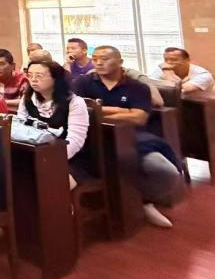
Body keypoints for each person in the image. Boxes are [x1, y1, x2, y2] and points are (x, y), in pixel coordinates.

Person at [73, 46, 185, 228]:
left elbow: (139, 117)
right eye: (95, 59)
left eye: (105, 59)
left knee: (167, 172)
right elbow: (76, 110)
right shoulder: (82, 83)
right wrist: (121, 110)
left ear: (120, 62)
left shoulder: (137, 87)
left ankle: (146, 200)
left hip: (132, 140)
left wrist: (98, 110)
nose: (99, 63)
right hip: (92, 142)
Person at [19, 61, 89, 187]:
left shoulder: (74, 102)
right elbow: (20, 129)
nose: (33, 79)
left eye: (39, 76)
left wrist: (48, 159)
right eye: (30, 75)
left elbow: (75, 140)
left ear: (56, 78)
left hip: (70, 158)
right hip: (36, 155)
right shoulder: (27, 99)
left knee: (51, 181)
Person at [150, 47, 214, 93]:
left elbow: (180, 91)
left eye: (173, 59)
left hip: (202, 106)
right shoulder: (162, 70)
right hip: (174, 105)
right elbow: (150, 86)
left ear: (187, 60)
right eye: (165, 60)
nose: (168, 62)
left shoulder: (203, 75)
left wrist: (167, 72)